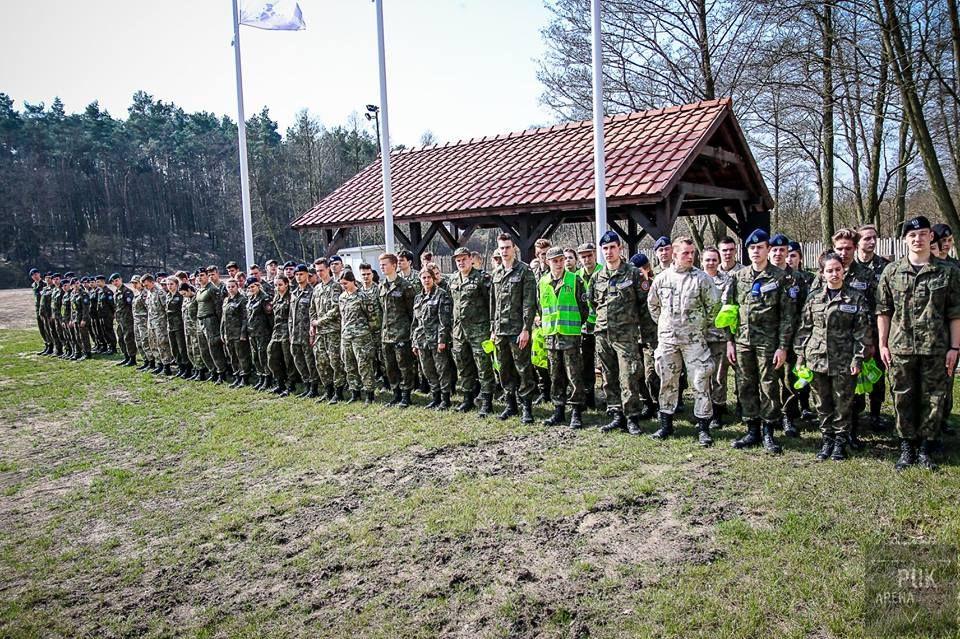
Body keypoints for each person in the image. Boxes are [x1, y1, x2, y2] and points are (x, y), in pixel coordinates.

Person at [877, 215, 960, 471]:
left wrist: (955, 348)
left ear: (930, 237)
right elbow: (883, 310)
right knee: (903, 397)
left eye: (923, 234)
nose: (918, 238)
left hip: (936, 347)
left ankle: (926, 447)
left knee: (933, 397)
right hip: (900, 346)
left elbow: (955, 312)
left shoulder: (949, 272)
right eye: (912, 235)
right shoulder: (891, 271)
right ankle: (907, 446)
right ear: (905, 240)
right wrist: (882, 344)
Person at [795, 252, 870, 461]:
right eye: (829, 270)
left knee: (843, 402)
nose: (834, 274)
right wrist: (801, 357)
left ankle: (840, 441)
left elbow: (862, 332)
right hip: (817, 357)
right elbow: (804, 328)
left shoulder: (855, 297)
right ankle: (826, 438)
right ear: (822, 273)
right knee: (821, 401)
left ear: (844, 271)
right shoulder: (814, 298)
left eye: (838, 269)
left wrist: (858, 358)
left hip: (844, 360)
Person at [725, 229, 795, 454]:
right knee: (745, 384)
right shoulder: (738, 277)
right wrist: (729, 342)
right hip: (743, 341)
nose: (756, 251)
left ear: (768, 249)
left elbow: (787, 316)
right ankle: (752, 429)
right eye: (752, 248)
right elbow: (729, 311)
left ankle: (768, 432)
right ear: (747, 251)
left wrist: (783, 347)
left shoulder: (781, 277)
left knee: (768, 386)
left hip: (768, 343)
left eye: (760, 247)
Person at [648, 237, 721, 446]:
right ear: (675, 254)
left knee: (700, 381)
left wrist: (698, 327)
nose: (690, 257)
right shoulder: (662, 279)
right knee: (667, 381)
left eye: (692, 253)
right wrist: (666, 325)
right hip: (668, 341)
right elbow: (653, 306)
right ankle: (666, 424)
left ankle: (703, 427)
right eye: (685, 253)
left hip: (694, 341)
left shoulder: (702, 279)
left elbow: (713, 307)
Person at [591, 231, 647, 434]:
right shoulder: (597, 276)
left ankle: (632, 417)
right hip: (603, 333)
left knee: (629, 375)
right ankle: (616, 414)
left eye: (612, 247)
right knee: (608, 376)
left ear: (620, 248)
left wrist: (646, 336)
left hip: (626, 335)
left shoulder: (633, 273)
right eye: (605, 249)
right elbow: (593, 303)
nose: (608, 252)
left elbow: (644, 306)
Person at [538, 246, 590, 428]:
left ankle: (576, 411)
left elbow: (584, 309)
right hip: (551, 337)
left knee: (574, 375)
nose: (559, 264)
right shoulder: (542, 282)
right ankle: (558, 410)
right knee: (555, 375)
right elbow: (540, 308)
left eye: (561, 260)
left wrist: (575, 325)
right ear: (548, 262)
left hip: (570, 336)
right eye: (554, 260)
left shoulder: (575, 280)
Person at [490, 233, 538, 423]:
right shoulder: (497, 273)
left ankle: (527, 407)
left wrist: (526, 328)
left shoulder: (524, 271)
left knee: (523, 369)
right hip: (500, 330)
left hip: (518, 330)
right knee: (504, 369)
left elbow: (529, 303)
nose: (504, 251)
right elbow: (493, 304)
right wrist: (493, 328)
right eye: (501, 248)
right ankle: (511, 405)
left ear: (514, 248)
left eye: (507, 247)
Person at [449, 246, 496, 415]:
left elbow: (491, 303)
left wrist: (492, 327)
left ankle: (486, 401)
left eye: (463, 259)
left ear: (470, 259)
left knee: (483, 366)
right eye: (458, 260)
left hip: (479, 330)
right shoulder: (453, 280)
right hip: (459, 332)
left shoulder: (482, 278)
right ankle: (467, 398)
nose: (461, 263)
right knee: (463, 365)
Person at [379, 252, 418, 407]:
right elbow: (380, 310)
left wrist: (411, 333)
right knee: (390, 367)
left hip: (402, 333)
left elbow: (412, 313)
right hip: (386, 334)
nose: (382, 267)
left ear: (394, 265)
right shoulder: (382, 286)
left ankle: (406, 395)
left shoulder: (406, 286)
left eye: (385, 264)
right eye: (381, 265)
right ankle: (395, 394)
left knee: (404, 366)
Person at [412, 269, 455, 409]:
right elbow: (415, 322)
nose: (426, 280)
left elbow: (444, 320)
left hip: (436, 340)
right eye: (423, 277)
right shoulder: (418, 298)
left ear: (433, 278)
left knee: (442, 369)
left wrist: (442, 340)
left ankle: (445, 399)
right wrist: (414, 342)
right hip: (422, 340)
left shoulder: (442, 295)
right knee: (427, 369)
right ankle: (435, 396)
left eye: (429, 277)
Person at [700, 247, 733, 429]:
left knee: (719, 377)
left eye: (714, 260)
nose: (711, 263)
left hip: (719, 336)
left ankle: (718, 411)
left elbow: (727, 308)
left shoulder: (727, 280)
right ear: (702, 261)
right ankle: (705, 410)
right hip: (700, 337)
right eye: (707, 260)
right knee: (702, 376)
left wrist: (729, 339)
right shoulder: (695, 279)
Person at [339, 270, 380, 403]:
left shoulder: (363, 296)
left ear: (353, 281)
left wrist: (370, 334)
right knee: (349, 365)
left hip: (361, 336)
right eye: (341, 284)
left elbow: (373, 318)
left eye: (345, 283)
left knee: (364, 365)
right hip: (346, 336)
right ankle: (354, 392)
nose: (343, 286)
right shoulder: (342, 297)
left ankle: (369, 393)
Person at [311, 258, 347, 403]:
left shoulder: (336, 287)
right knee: (321, 362)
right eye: (317, 271)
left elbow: (336, 309)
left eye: (322, 270)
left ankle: (339, 392)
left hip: (333, 331)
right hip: (320, 332)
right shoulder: (317, 288)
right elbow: (312, 309)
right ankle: (328, 390)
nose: (319, 273)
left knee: (335, 362)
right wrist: (312, 326)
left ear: (328, 270)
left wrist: (320, 321)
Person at [630, 253, 660, 419]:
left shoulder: (655, 285)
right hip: (635, 336)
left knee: (651, 373)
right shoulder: (631, 285)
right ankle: (646, 403)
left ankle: (657, 405)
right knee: (637, 373)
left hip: (652, 337)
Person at [576, 242, 602, 409]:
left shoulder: (603, 272)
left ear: (594, 255)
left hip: (602, 326)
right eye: (583, 257)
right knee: (586, 364)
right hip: (585, 327)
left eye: (589, 255)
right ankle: (589, 397)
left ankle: (613, 400)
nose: (586, 259)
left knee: (606, 365)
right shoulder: (576, 276)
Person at [289, 264, 319, 397]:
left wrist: (313, 332)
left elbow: (315, 313)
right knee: (298, 360)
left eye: (301, 274)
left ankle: (314, 387)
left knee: (310, 361)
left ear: (307, 275)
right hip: (295, 334)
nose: (298, 277)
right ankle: (306, 384)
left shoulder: (312, 292)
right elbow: (291, 315)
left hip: (307, 334)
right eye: (296, 275)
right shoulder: (294, 293)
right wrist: (290, 332)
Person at [196, 268, 231, 383]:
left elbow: (218, 307)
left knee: (214, 348)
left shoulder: (212, 289)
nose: (200, 278)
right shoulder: (200, 290)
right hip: (201, 320)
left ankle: (221, 372)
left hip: (211, 320)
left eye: (202, 275)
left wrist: (219, 322)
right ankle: (212, 370)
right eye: (198, 276)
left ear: (207, 276)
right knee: (204, 348)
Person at [267, 275, 296, 397]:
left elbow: (293, 316)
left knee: (288, 359)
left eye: (280, 285)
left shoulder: (291, 297)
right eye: (276, 285)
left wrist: (291, 333)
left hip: (287, 331)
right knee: (271, 356)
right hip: (277, 331)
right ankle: (279, 382)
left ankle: (291, 385)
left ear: (286, 284)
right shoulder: (277, 297)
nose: (278, 287)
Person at [221, 279, 251, 387]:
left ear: (237, 286)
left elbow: (244, 318)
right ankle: (237, 376)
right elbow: (223, 319)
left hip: (238, 333)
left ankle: (244, 377)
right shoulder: (226, 300)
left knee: (241, 356)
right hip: (228, 333)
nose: (230, 289)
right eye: (228, 287)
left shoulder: (242, 300)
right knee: (232, 356)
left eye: (232, 286)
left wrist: (243, 333)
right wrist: (222, 333)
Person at [245, 277, 274, 391]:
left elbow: (270, 316)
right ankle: (260, 376)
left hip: (263, 332)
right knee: (255, 356)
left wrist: (271, 330)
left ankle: (268, 378)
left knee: (263, 356)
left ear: (258, 286)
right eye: (249, 287)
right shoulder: (251, 298)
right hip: (252, 332)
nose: (251, 289)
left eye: (253, 286)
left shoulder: (264, 298)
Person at [143, 274, 173, 375]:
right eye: (144, 286)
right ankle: (159, 364)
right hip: (151, 323)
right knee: (153, 343)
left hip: (161, 324)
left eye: (147, 285)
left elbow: (166, 308)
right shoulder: (149, 293)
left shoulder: (160, 293)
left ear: (152, 282)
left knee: (162, 344)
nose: (145, 287)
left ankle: (166, 366)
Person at [164, 276, 188, 377]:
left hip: (179, 325)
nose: (169, 286)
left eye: (171, 284)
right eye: (168, 284)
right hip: (170, 325)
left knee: (182, 347)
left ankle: (186, 368)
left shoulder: (180, 296)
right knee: (174, 348)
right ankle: (180, 367)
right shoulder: (168, 295)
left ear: (177, 285)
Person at [180, 282, 206, 380]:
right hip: (188, 329)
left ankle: (201, 371)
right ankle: (195, 369)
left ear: (189, 290)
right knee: (190, 350)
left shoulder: (196, 299)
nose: (184, 296)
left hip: (196, 329)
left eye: (184, 293)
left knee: (197, 350)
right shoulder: (186, 299)